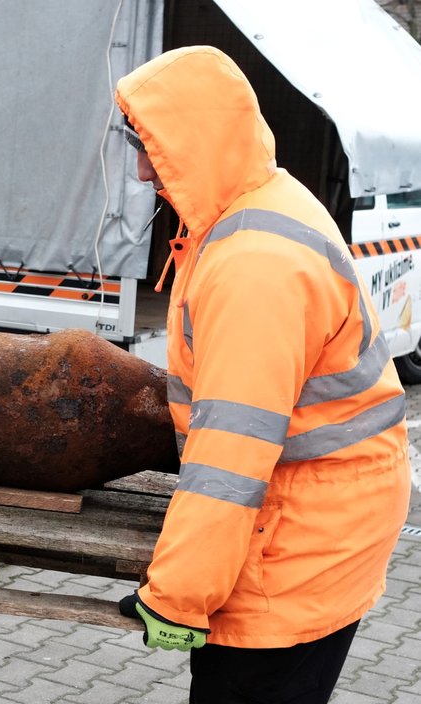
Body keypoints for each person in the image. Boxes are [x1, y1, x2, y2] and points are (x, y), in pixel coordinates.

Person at [113, 45, 411, 703]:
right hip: (325, 513)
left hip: (300, 539)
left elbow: (231, 457)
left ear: (196, 140)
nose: (139, 170)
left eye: (150, 146)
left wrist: (178, 598)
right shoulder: (253, 206)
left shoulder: (254, 266)